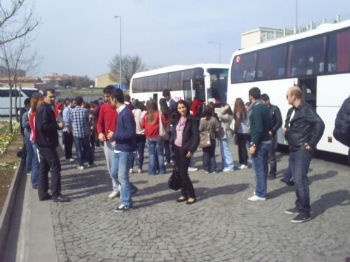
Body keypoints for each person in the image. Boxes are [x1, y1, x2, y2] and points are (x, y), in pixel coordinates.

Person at [284, 86, 324, 223]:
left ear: (294, 96)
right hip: (294, 148)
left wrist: (311, 143)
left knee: (301, 180)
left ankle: (305, 212)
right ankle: (299, 205)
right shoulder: (293, 110)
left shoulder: (306, 108)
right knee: (297, 179)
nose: (286, 98)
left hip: (302, 149)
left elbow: (320, 124)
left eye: (287, 95)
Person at [35, 89, 70, 202]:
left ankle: (43, 193)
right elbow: (43, 127)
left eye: (54, 96)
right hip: (46, 143)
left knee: (44, 168)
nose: (53, 99)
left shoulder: (45, 108)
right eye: (50, 97)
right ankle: (56, 194)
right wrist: (57, 126)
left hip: (44, 142)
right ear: (44, 96)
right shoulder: (44, 109)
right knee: (55, 167)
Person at [107, 88, 137, 212]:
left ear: (114, 99)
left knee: (122, 176)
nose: (109, 103)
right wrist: (115, 134)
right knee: (114, 173)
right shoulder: (121, 112)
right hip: (118, 148)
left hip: (125, 149)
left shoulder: (126, 113)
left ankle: (126, 202)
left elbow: (130, 133)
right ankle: (131, 188)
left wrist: (115, 135)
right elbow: (123, 131)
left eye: (110, 100)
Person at [247, 87, 271, 202]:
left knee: (258, 169)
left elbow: (258, 128)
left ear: (251, 96)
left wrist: (253, 144)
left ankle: (260, 193)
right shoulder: (264, 107)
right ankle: (261, 189)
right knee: (264, 168)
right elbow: (269, 124)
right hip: (267, 141)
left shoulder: (256, 109)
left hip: (260, 142)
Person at [173, 100, 199, 204]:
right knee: (179, 173)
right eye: (179, 108)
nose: (182, 110)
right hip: (177, 148)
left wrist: (191, 149)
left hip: (186, 149)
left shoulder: (192, 119)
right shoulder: (177, 119)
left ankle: (192, 194)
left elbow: (196, 137)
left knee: (183, 173)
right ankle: (184, 193)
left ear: (187, 107)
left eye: (183, 107)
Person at [96, 85, 121, 198]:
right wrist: (100, 132)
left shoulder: (120, 108)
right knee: (110, 166)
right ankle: (116, 188)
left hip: (119, 141)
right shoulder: (103, 107)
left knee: (120, 167)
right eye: (104, 96)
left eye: (107, 96)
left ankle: (124, 188)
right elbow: (99, 122)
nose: (105, 99)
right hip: (107, 142)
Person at [141, 100, 167, 175]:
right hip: (158, 136)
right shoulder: (159, 114)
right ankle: (161, 170)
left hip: (149, 136)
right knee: (160, 153)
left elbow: (142, 125)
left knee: (151, 154)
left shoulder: (146, 115)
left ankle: (152, 171)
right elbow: (165, 123)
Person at [260, 94, 282, 180]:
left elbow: (279, 121)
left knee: (271, 155)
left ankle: (273, 173)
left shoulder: (275, 109)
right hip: (263, 135)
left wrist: (273, 130)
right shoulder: (262, 109)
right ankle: (265, 171)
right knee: (263, 155)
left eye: (263, 102)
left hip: (271, 135)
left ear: (267, 101)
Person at [71, 96, 93, 170]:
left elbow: (71, 120)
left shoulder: (72, 111)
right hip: (85, 132)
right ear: (82, 102)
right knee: (87, 148)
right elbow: (87, 120)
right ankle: (89, 162)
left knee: (78, 149)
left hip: (76, 133)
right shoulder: (85, 111)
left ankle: (80, 164)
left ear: (75, 102)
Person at [28, 93, 44, 189]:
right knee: (38, 162)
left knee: (35, 162)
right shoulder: (35, 114)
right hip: (36, 140)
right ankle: (36, 183)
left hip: (34, 138)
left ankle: (35, 181)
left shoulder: (33, 112)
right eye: (41, 99)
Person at [199, 106, 220, 173]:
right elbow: (217, 128)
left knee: (205, 153)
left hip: (205, 138)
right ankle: (213, 168)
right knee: (212, 154)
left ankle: (206, 168)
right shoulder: (214, 119)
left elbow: (200, 129)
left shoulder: (202, 120)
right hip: (212, 137)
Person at [233, 98, 250, 169]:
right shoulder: (247, 110)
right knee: (245, 147)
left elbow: (237, 123)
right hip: (248, 130)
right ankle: (246, 160)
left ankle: (243, 162)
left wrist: (235, 130)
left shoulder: (238, 112)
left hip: (241, 131)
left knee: (241, 147)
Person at [218, 104, 234, 172]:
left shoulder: (228, 116)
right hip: (223, 134)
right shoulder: (228, 115)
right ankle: (225, 165)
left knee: (226, 151)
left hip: (225, 134)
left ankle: (229, 165)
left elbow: (219, 115)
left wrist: (224, 109)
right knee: (223, 151)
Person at [131, 101, 147, 173]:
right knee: (141, 152)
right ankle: (140, 168)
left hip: (133, 134)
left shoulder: (132, 112)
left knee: (132, 151)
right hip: (142, 133)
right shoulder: (144, 113)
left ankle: (131, 167)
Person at [163, 89, 177, 163]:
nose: (165, 98)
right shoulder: (165, 103)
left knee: (171, 141)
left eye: (166, 96)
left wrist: (171, 116)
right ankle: (167, 157)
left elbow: (175, 113)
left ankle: (172, 157)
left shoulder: (173, 103)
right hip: (166, 125)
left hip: (172, 124)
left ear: (169, 95)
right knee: (166, 142)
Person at [159, 98, 172, 166]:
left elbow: (163, 121)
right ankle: (168, 160)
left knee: (161, 146)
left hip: (162, 129)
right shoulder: (168, 110)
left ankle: (163, 160)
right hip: (168, 129)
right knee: (167, 146)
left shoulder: (161, 111)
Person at [22, 98, 33, 176]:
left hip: (33, 136)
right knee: (29, 152)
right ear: (28, 105)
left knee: (33, 153)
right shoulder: (26, 114)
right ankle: (28, 169)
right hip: (28, 135)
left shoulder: (32, 112)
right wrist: (32, 121)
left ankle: (32, 167)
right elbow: (24, 124)